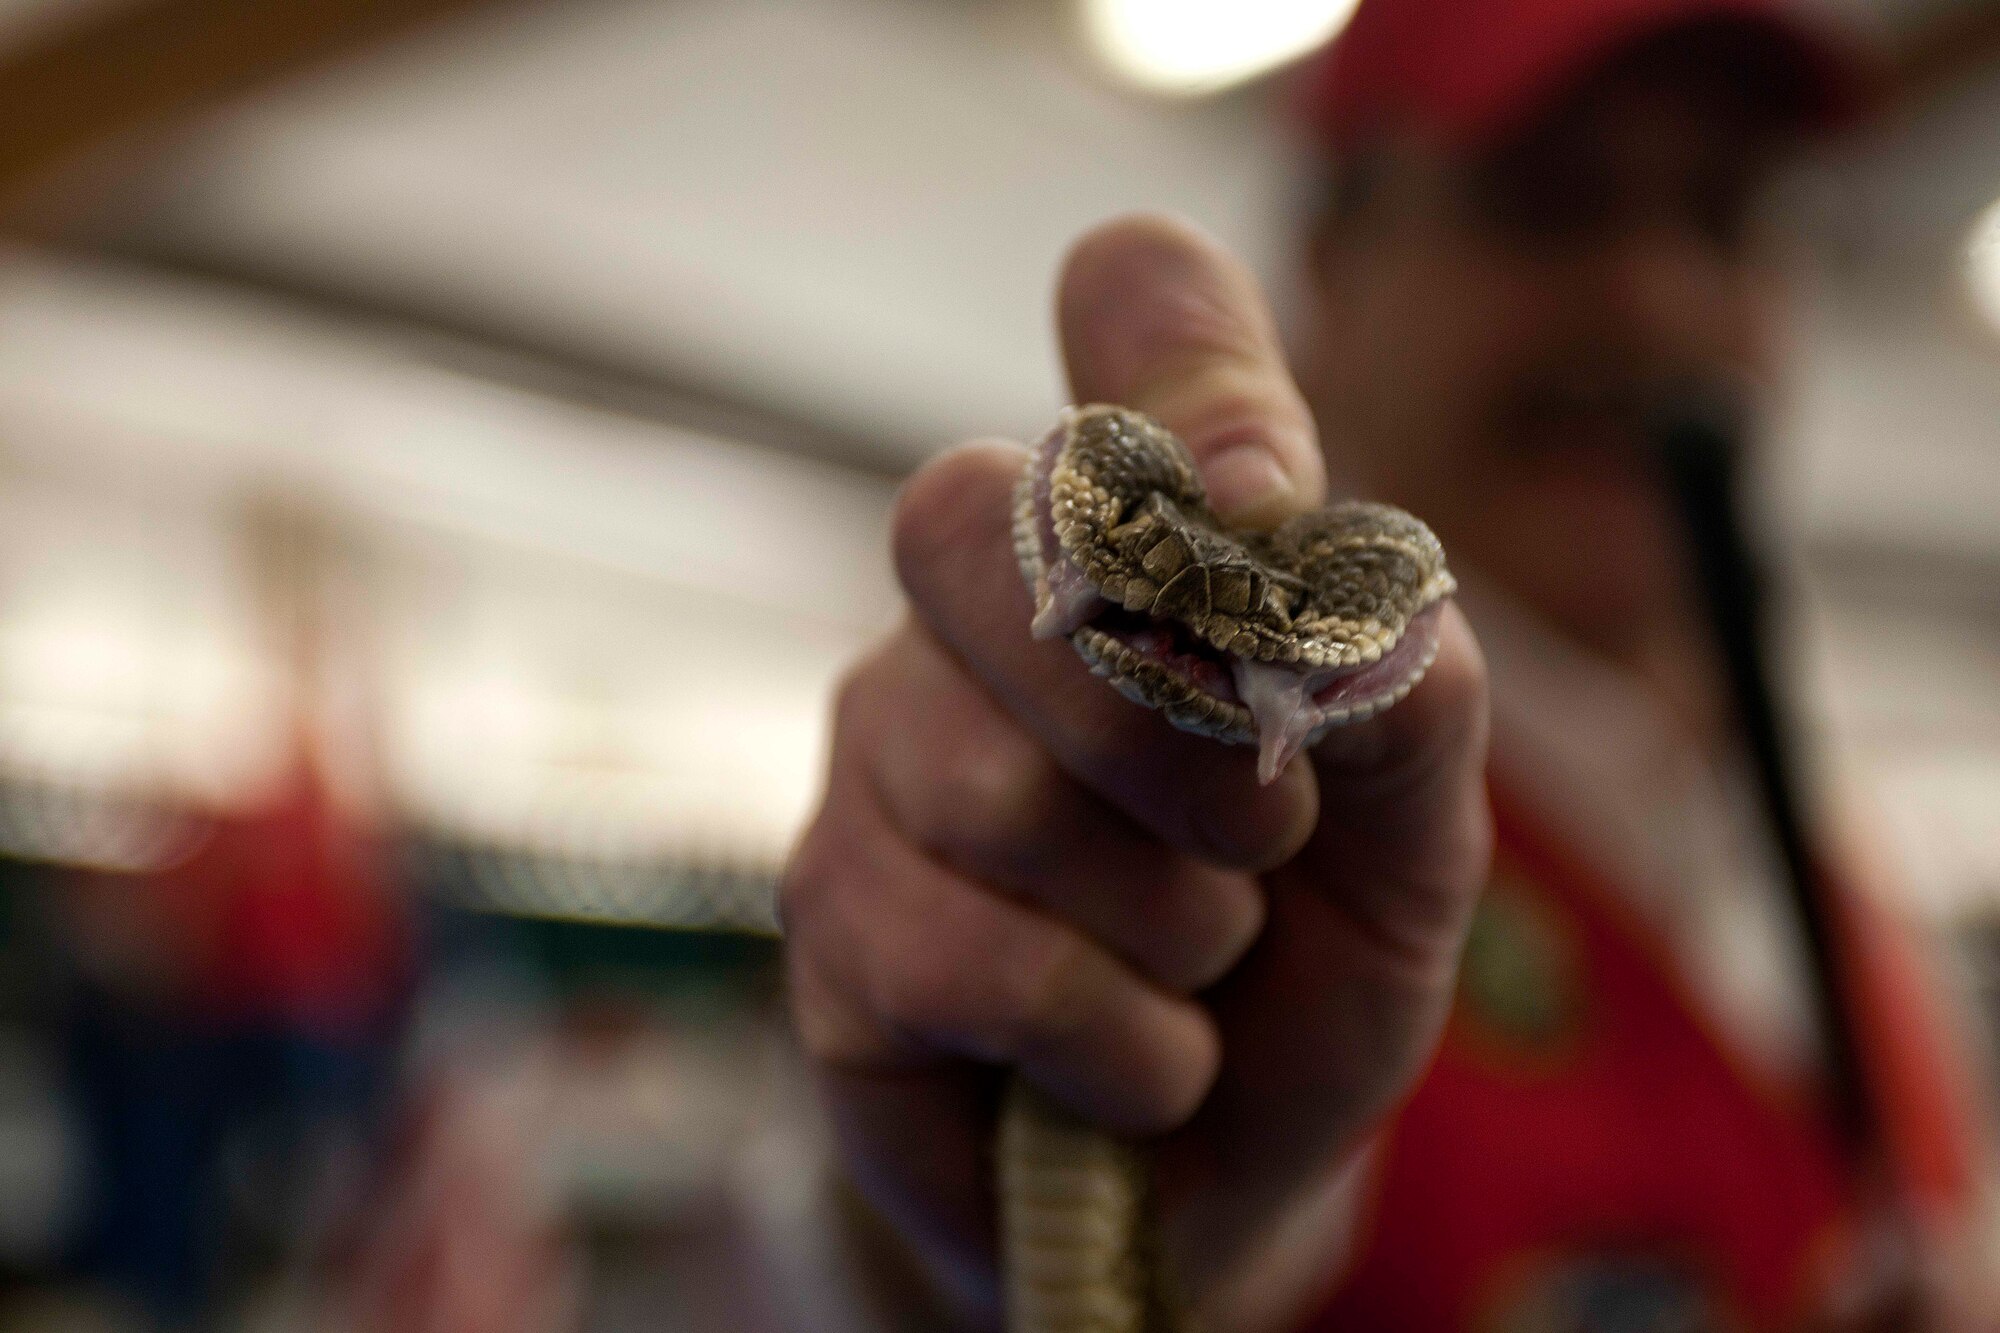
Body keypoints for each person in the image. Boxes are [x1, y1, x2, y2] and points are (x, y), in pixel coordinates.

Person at [778, 0, 1994, 1327]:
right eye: (1542, 200)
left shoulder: (1847, 881)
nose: (1655, 297)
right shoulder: (1255, 825)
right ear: (1331, 270)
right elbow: (981, 1252)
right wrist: (971, 1194)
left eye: (1723, 214)